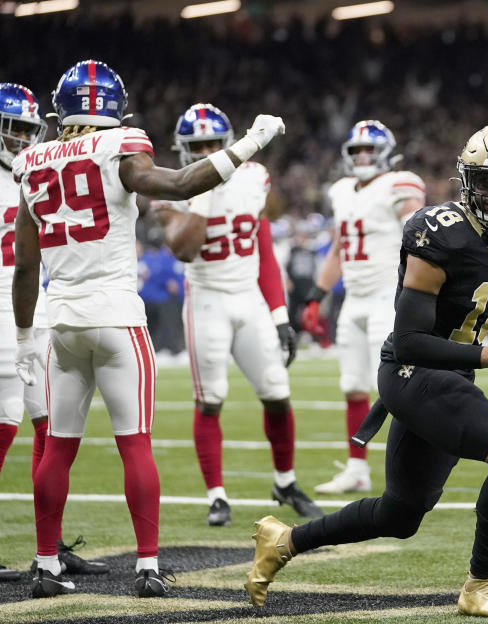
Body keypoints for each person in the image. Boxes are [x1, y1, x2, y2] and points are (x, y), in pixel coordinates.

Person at [243, 124, 488, 617]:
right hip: (412, 372)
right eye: (485, 180)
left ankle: (283, 542)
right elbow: (410, 342)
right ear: (466, 180)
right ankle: (481, 586)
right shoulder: (437, 233)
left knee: (400, 514)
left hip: (451, 374)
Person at [11, 60, 285, 598]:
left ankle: (45, 566)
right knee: (134, 445)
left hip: (60, 321)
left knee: (58, 449)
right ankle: (146, 567)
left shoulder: (31, 160)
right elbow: (181, 183)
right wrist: (251, 142)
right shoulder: (120, 145)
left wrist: (24, 337)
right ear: (115, 109)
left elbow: (23, 264)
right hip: (115, 316)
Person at [152, 103, 321, 526]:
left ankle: (285, 481)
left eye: (214, 144)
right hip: (207, 299)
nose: (207, 151)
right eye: (199, 146)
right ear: (183, 150)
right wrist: (204, 193)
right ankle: (216, 495)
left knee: (278, 392)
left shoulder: (255, 177)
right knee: (210, 399)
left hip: (249, 299)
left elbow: (263, 245)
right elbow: (185, 248)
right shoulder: (172, 186)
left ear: (228, 144)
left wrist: (280, 313)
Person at [0, 82, 106, 582]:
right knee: (6, 429)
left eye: (27, 129)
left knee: (51, 428)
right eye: (13, 129)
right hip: (7, 319)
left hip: (35, 315)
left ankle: (50, 547)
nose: (21, 139)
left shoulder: (38, 171)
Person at [303, 120, 425, 495]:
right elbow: (340, 247)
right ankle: (357, 468)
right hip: (353, 300)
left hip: (388, 298)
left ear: (386, 152)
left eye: (369, 150)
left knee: (397, 390)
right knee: (354, 387)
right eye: (357, 151)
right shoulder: (341, 191)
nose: (363, 157)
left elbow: (423, 234)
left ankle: (416, 473)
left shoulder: (399, 184)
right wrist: (315, 296)